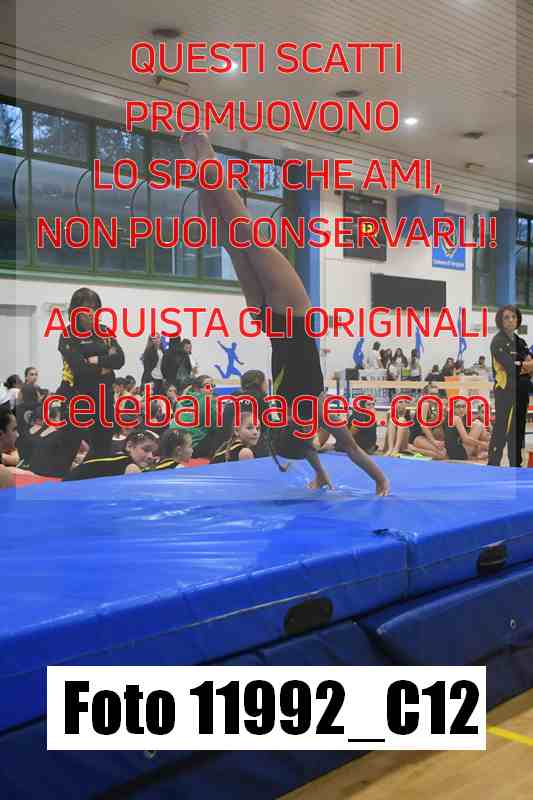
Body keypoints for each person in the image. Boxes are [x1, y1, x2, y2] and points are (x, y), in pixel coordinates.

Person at [180, 131, 388, 494]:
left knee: (244, 235)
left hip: (291, 314)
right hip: (269, 320)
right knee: (234, 241)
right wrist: (326, 474)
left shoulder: (313, 413)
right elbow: (308, 448)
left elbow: (348, 448)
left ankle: (206, 160)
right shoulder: (286, 416)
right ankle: (202, 167)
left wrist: (380, 480)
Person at [58, 287, 125, 459]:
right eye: (87, 308)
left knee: (103, 448)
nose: (92, 313)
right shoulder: (68, 334)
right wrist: (105, 363)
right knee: (74, 449)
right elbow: (80, 368)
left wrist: (95, 359)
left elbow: (120, 360)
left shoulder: (105, 331)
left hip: (104, 397)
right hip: (79, 397)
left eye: (95, 308)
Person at [488, 305, 533, 467]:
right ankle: (493, 465)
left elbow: (529, 365)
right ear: (500, 320)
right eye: (506, 317)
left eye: (514, 317)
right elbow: (511, 367)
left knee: (518, 429)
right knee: (502, 429)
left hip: (522, 391)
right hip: (505, 391)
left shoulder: (520, 341)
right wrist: (523, 365)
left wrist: (523, 365)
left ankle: (516, 465)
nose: (511, 320)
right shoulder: (497, 341)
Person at [63, 429, 159, 481]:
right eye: (146, 450)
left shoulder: (117, 458)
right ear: (129, 446)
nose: (150, 456)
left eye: (153, 452)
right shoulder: (131, 467)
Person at [171, 374, 219, 458]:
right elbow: (215, 426)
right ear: (197, 389)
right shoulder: (205, 401)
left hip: (176, 445)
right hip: (193, 446)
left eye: (212, 386)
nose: (211, 389)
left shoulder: (181, 401)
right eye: (207, 386)